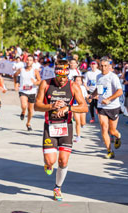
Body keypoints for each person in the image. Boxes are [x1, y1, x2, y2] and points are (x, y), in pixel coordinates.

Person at [35, 59, 87, 201]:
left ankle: (57, 188)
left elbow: (84, 107)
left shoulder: (73, 86)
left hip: (66, 126)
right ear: (55, 74)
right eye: (60, 77)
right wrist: (51, 106)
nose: (62, 80)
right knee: (51, 161)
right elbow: (37, 106)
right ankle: (48, 164)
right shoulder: (45, 84)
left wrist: (68, 108)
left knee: (63, 161)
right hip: (50, 126)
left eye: (65, 77)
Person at [92, 57, 123, 159]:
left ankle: (118, 136)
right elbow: (98, 88)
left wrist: (109, 99)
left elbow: (120, 91)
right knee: (104, 128)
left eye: (105, 66)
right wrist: (92, 95)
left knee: (112, 131)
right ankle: (109, 151)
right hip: (101, 106)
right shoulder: (98, 76)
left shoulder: (113, 77)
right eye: (101, 65)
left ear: (109, 66)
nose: (103, 68)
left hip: (113, 106)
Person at [14, 55, 41, 131]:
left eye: (30, 60)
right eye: (27, 60)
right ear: (25, 61)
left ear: (33, 62)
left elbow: (39, 81)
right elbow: (15, 75)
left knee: (30, 110)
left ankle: (28, 123)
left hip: (32, 91)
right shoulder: (21, 69)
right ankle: (23, 111)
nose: (29, 61)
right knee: (24, 105)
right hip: (23, 90)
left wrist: (35, 82)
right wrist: (16, 84)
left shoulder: (35, 71)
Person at [72, 75, 88, 142]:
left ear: (81, 82)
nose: (78, 82)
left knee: (83, 122)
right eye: (77, 80)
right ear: (74, 81)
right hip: (75, 106)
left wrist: (90, 98)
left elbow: (86, 96)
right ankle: (78, 136)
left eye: (79, 80)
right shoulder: (72, 88)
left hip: (82, 106)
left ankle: (83, 124)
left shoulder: (83, 88)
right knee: (77, 122)